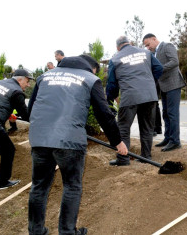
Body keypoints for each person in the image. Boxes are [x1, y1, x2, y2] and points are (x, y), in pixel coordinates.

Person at [27, 55, 128, 235]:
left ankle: (36, 231)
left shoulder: (45, 77)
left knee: (39, 186)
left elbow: (31, 109)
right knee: (72, 186)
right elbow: (104, 113)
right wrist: (118, 141)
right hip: (69, 141)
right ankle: (67, 232)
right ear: (91, 68)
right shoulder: (90, 79)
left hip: (39, 139)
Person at [106, 36, 163, 166]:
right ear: (130, 43)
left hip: (130, 96)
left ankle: (123, 159)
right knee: (147, 128)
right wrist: (148, 82)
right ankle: (146, 157)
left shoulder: (115, 59)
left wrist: (113, 98)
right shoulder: (146, 53)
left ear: (117, 47)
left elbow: (111, 84)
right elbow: (159, 68)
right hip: (149, 95)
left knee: (123, 129)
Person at [142, 33, 186, 152]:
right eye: (145, 46)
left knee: (172, 113)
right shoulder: (153, 52)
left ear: (154, 39)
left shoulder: (167, 46)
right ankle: (168, 138)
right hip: (164, 86)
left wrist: (159, 69)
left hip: (173, 84)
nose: (147, 47)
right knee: (165, 113)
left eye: (148, 44)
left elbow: (174, 61)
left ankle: (175, 141)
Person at [0, 69, 32, 189]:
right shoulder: (17, 92)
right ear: (20, 79)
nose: (28, 84)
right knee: (8, 150)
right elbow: (26, 115)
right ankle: (3, 182)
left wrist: (7, 112)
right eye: (27, 81)